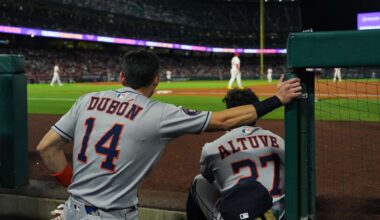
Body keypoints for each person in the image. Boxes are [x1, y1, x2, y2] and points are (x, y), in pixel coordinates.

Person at [37, 50, 300, 220]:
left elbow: (46, 148)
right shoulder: (159, 113)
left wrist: (79, 192)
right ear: (156, 81)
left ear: (121, 76)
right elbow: (224, 120)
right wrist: (277, 98)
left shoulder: (87, 100)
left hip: (73, 209)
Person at [187, 88, 286, 220]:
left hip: (240, 217)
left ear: (230, 112)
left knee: (198, 181)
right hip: (279, 215)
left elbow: (208, 177)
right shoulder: (278, 140)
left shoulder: (211, 149)